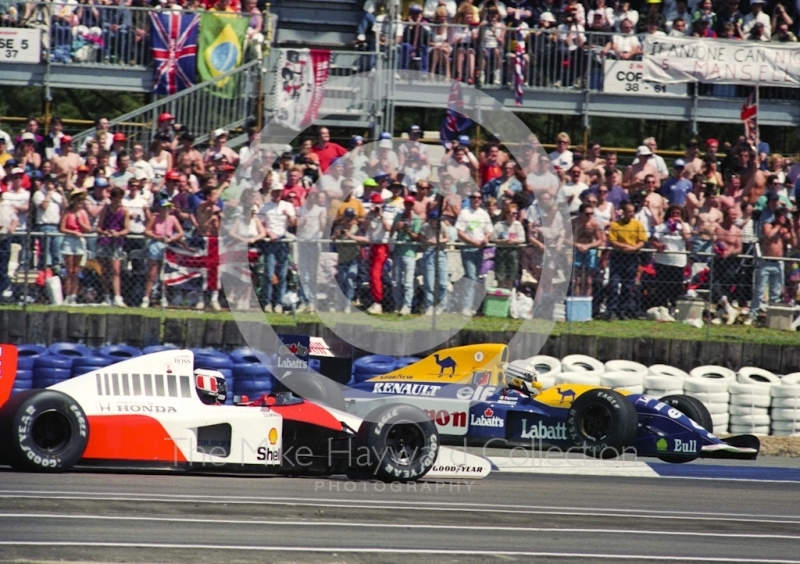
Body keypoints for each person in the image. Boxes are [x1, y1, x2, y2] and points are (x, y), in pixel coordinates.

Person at [745, 201, 794, 324]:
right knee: (759, 290)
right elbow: (768, 235)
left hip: (778, 263)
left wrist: (791, 227)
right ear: (777, 217)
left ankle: (772, 315)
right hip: (766, 262)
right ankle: (753, 313)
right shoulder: (769, 225)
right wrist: (778, 226)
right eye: (782, 217)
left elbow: (793, 241)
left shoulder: (784, 230)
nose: (784, 220)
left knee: (776, 291)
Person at [605, 203, 648, 320]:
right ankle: (611, 311)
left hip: (632, 258)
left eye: (633, 211)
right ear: (623, 212)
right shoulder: (615, 225)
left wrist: (634, 248)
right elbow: (612, 240)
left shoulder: (638, 225)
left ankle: (622, 311)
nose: (631, 214)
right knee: (614, 284)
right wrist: (625, 247)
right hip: (618, 256)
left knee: (628, 285)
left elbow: (643, 240)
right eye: (629, 211)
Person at [259, 181, 296, 313]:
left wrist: (289, 215)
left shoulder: (288, 205)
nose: (278, 194)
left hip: (282, 241)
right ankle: (267, 302)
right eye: (275, 192)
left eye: (280, 192)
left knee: (282, 273)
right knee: (269, 273)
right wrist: (269, 232)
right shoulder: (264, 207)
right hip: (270, 241)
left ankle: (279, 303)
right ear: (271, 193)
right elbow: (260, 224)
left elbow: (293, 223)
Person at [141, 200, 184, 308]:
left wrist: (171, 239)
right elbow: (146, 231)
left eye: (168, 208)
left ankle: (163, 297)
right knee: (152, 273)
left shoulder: (173, 218)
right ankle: (147, 297)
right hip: (156, 244)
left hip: (167, 245)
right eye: (164, 207)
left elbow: (181, 232)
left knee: (165, 273)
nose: (166, 210)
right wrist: (157, 237)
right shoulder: (155, 218)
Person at [456, 191, 492, 315]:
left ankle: (472, 306)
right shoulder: (464, 213)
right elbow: (459, 232)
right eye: (474, 197)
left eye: (479, 198)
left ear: (481, 200)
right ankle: (466, 306)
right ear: (470, 199)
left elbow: (488, 231)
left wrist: (486, 238)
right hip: (467, 249)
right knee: (471, 276)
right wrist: (472, 241)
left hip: (479, 250)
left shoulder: (484, 214)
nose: (476, 199)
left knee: (476, 278)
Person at [95, 187, 130, 307]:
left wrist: (118, 234)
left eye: (120, 198)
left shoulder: (124, 211)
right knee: (105, 271)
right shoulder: (106, 209)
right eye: (116, 198)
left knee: (116, 271)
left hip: (117, 242)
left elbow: (126, 229)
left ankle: (117, 297)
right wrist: (105, 232)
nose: (118, 201)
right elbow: (99, 227)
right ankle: (106, 296)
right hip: (104, 241)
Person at [652, 205, 691, 311]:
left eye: (678, 213)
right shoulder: (662, 227)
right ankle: (662, 307)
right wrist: (658, 246)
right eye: (673, 213)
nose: (675, 215)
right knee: (662, 286)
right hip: (663, 261)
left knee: (676, 286)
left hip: (678, 261)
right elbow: (653, 239)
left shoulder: (685, 226)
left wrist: (681, 223)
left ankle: (674, 308)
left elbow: (687, 238)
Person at [711, 206, 743, 324]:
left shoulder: (737, 231)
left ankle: (720, 314)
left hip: (731, 262)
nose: (734, 217)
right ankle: (729, 310)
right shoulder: (718, 228)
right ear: (726, 215)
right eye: (732, 215)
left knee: (726, 287)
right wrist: (717, 249)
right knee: (714, 285)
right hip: (718, 260)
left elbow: (739, 249)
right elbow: (712, 242)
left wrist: (730, 252)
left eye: (735, 215)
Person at [296, 188, 326, 313]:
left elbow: (323, 227)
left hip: (314, 243)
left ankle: (312, 302)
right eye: (311, 196)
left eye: (315, 196)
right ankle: (304, 300)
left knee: (313, 273)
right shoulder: (301, 209)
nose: (313, 198)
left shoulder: (321, 210)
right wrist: (301, 222)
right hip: (302, 243)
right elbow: (296, 225)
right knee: (303, 274)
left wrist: (321, 220)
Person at [59, 192, 92, 305]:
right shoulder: (67, 213)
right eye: (79, 201)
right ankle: (67, 295)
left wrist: (80, 223)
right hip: (69, 240)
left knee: (76, 271)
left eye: (82, 201)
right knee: (69, 270)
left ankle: (74, 295)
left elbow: (88, 229)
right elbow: (62, 228)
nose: (80, 204)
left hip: (79, 241)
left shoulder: (83, 213)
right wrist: (73, 232)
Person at [390, 195, 422, 315]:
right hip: (397, 252)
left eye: (410, 204)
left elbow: (417, 237)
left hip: (409, 253)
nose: (408, 206)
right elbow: (391, 233)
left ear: (413, 205)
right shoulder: (398, 216)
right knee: (396, 282)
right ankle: (397, 305)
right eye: (406, 203)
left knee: (408, 282)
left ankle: (407, 306)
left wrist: (407, 230)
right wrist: (396, 227)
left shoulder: (416, 219)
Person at [331, 208, 366, 313]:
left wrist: (351, 236)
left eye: (351, 217)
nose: (349, 220)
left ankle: (348, 304)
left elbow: (364, 240)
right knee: (341, 281)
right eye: (347, 217)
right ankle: (339, 303)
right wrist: (335, 236)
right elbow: (331, 240)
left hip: (353, 259)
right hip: (342, 259)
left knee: (350, 281)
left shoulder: (357, 229)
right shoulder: (339, 228)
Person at [364, 193, 393, 314]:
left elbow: (388, 228)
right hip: (373, 245)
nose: (376, 205)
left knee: (376, 274)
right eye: (374, 203)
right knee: (372, 274)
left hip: (382, 245)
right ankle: (375, 300)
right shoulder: (370, 215)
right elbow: (366, 227)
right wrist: (369, 215)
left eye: (378, 203)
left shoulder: (386, 214)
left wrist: (380, 215)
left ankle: (378, 301)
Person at [32, 173, 65, 273]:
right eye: (49, 182)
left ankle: (56, 270)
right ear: (45, 183)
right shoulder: (38, 194)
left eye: (53, 182)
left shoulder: (57, 195)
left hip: (56, 226)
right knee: (46, 253)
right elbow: (44, 207)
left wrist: (62, 194)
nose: (52, 184)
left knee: (57, 252)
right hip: (44, 225)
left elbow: (65, 207)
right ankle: (46, 271)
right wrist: (49, 194)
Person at [420, 209, 449, 315]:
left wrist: (438, 241)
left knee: (443, 282)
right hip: (428, 251)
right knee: (429, 281)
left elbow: (447, 238)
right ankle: (429, 305)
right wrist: (428, 241)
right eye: (435, 220)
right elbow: (421, 238)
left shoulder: (442, 225)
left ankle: (442, 305)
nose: (437, 222)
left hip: (440, 251)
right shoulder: (425, 226)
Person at [571, 203, 604, 296]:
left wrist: (588, 246)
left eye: (591, 213)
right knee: (576, 279)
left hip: (590, 250)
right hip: (577, 249)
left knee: (588, 279)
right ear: (580, 213)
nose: (590, 216)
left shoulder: (594, 224)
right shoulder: (574, 223)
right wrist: (577, 244)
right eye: (587, 214)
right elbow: (564, 238)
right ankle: (576, 298)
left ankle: (586, 299)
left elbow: (600, 240)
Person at [492, 202, 525, 290]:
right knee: (500, 276)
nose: (514, 215)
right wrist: (503, 241)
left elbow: (522, 239)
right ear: (507, 213)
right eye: (512, 213)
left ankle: (509, 297)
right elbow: (493, 238)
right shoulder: (499, 225)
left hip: (513, 251)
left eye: (516, 213)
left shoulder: (518, 225)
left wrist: (514, 241)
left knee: (511, 276)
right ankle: (500, 296)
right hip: (501, 251)